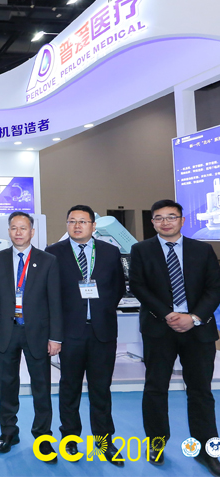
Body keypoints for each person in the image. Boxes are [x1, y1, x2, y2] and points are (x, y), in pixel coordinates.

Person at [129, 199, 220, 474]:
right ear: (152, 222)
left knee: (201, 391)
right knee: (155, 389)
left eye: (171, 216)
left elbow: (214, 288)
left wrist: (193, 317)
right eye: (159, 218)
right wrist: (168, 314)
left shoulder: (203, 250)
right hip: (159, 329)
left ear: (182, 220)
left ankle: (207, 450)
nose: (165, 222)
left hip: (198, 330)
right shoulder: (141, 250)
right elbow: (138, 286)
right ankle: (156, 444)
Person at [45, 205, 125, 466]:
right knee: (70, 387)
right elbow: (50, 294)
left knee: (101, 388)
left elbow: (117, 289)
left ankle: (104, 441)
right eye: (72, 221)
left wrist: (101, 311)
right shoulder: (53, 252)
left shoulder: (110, 252)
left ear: (93, 225)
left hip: (102, 331)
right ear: (67, 224)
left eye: (83, 221)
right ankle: (70, 438)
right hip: (70, 332)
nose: (77, 226)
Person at [0, 211, 62, 463]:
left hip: (38, 334)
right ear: (8, 231)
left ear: (32, 231)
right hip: (6, 332)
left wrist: (56, 337)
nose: (18, 232)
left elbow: (55, 301)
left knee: (41, 387)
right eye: (13, 228)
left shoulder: (48, 261)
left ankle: (43, 437)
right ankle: (8, 432)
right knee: (6, 385)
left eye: (23, 228)